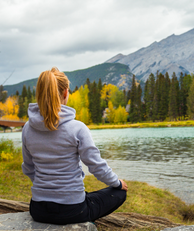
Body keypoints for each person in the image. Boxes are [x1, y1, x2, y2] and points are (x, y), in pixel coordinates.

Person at [21, 67, 127, 225]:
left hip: (38, 210)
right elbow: (96, 166)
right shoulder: (77, 128)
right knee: (119, 193)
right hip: (72, 211)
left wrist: (47, 189)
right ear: (65, 93)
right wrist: (117, 183)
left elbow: (29, 168)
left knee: (87, 196)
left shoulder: (27, 128)